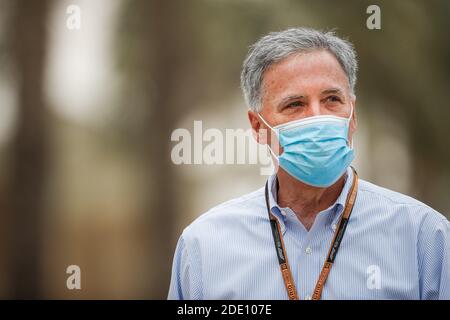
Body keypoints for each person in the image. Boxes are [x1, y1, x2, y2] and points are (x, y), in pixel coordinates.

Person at [168, 27, 450, 300]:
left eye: (331, 99)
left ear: (352, 116)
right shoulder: (204, 246)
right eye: (294, 104)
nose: (317, 116)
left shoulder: (425, 238)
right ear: (258, 126)